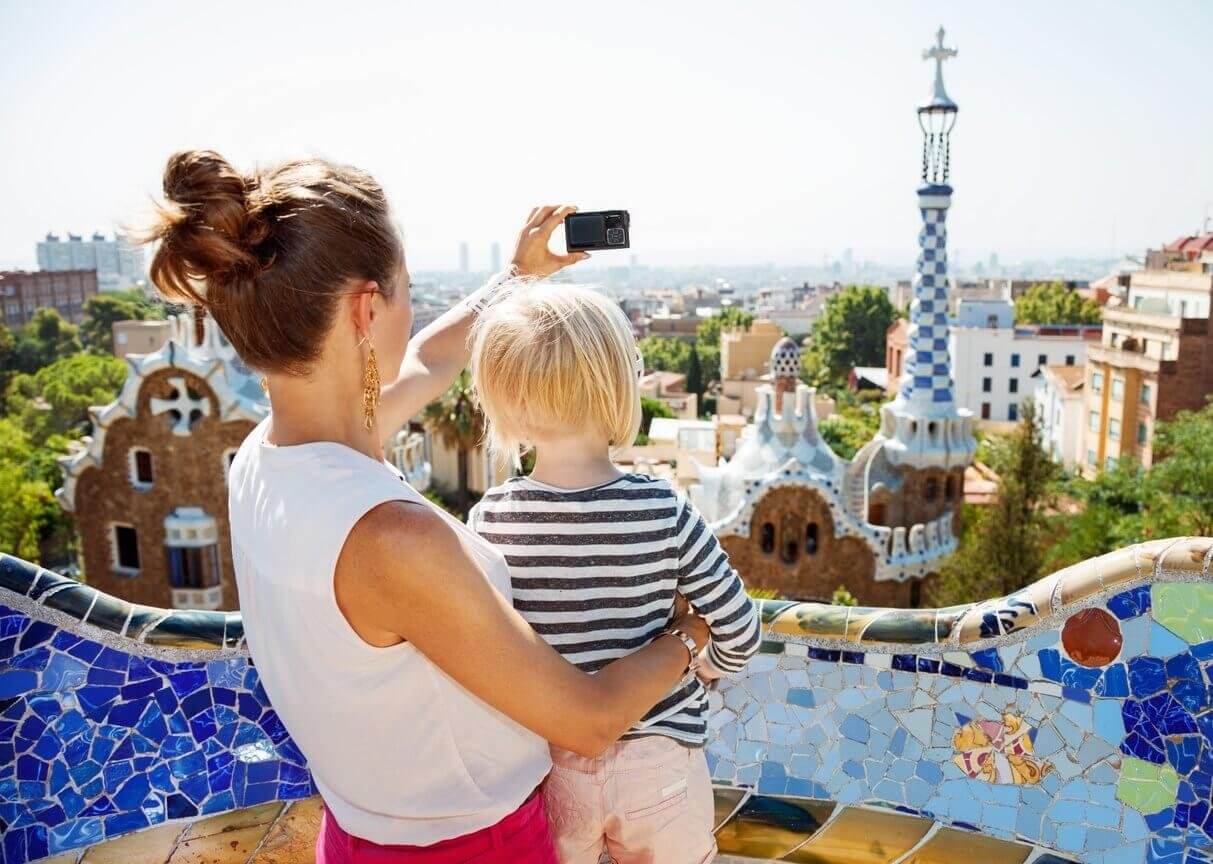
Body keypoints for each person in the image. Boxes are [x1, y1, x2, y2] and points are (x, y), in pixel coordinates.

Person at [140, 149, 711, 864]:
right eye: (405, 289)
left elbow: (428, 363)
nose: (412, 313)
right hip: (475, 847)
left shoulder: (266, 460)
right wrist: (688, 635)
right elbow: (589, 720)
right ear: (365, 308)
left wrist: (516, 278)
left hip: (355, 836)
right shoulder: (389, 537)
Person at [467, 282, 761, 864]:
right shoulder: (663, 509)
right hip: (661, 763)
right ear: (615, 389)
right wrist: (700, 668)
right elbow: (741, 630)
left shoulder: (490, 521)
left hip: (550, 770)